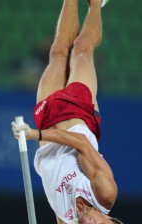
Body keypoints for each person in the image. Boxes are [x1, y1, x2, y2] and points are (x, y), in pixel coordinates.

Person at [11, 0, 124, 223]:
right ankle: (95, 4)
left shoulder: (67, 220)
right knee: (81, 48)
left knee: (58, 51)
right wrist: (35, 134)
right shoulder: (104, 193)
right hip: (78, 117)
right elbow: (81, 143)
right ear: (110, 220)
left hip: (48, 124)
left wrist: (40, 134)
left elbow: (56, 197)